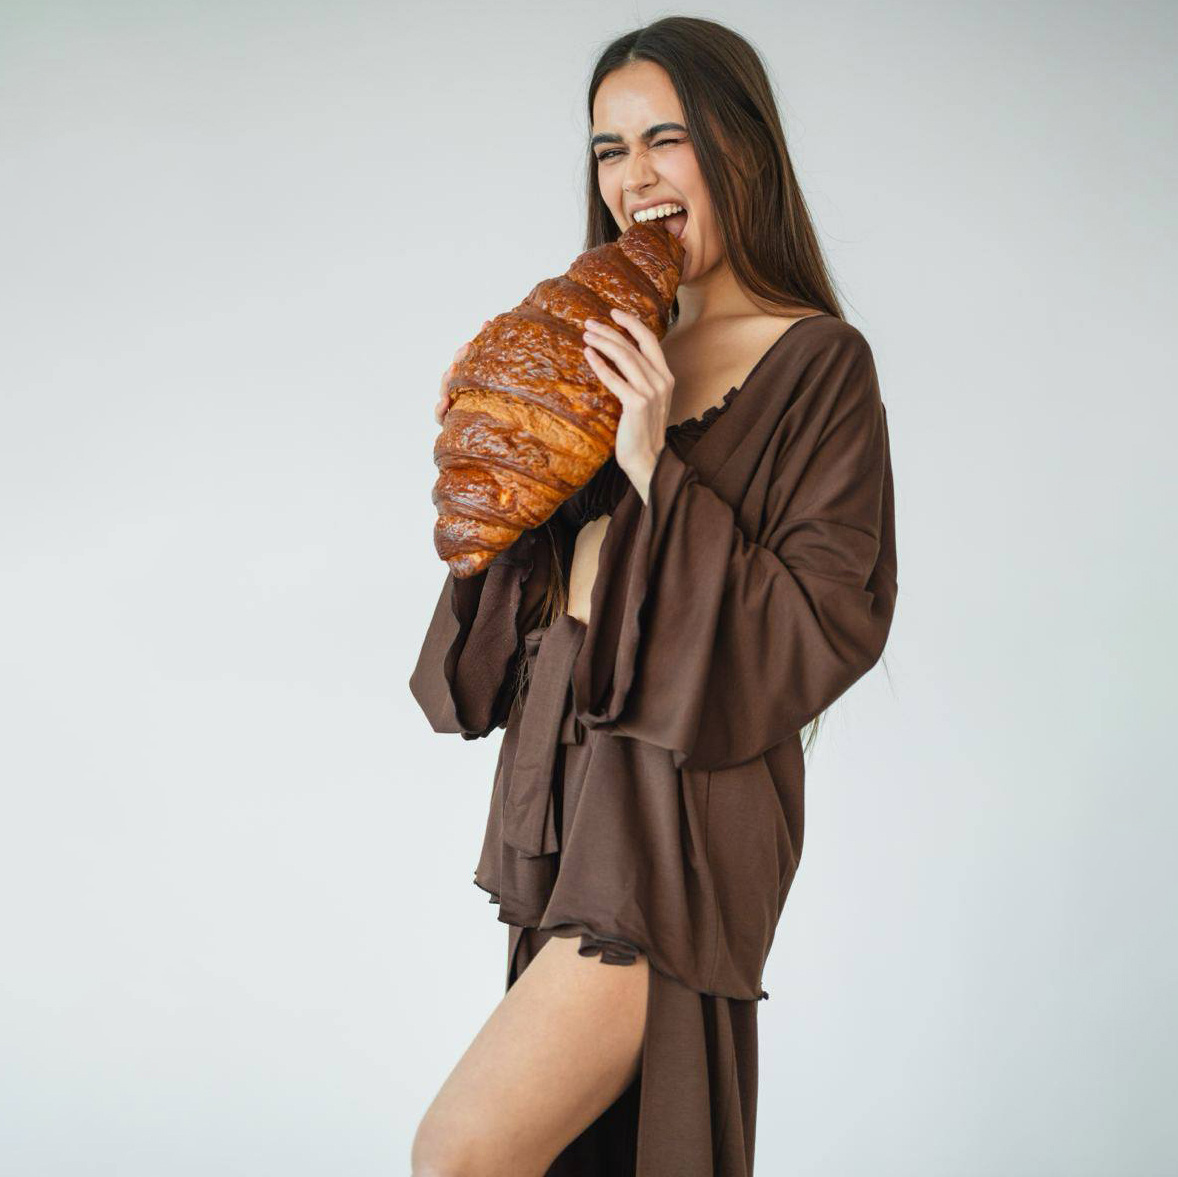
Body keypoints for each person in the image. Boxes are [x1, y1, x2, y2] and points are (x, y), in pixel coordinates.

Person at [408, 16, 898, 1177]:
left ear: (741, 146)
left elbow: (825, 622)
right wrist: (501, 469)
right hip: (571, 797)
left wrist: (648, 460)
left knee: (461, 1151)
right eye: (607, 148)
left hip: (679, 819)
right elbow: (506, 647)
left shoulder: (818, 362)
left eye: (664, 139)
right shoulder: (606, 342)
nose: (633, 176)